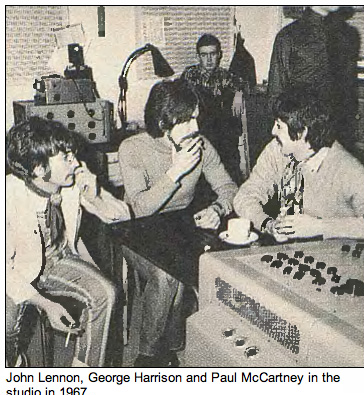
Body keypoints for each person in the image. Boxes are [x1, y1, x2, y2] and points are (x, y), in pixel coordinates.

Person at [118, 79, 237, 367]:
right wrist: (175, 172)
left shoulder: (200, 145)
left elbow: (230, 187)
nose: (195, 128)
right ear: (163, 122)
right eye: (186, 121)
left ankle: (171, 344)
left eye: (196, 118)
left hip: (180, 227)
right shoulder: (132, 148)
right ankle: (146, 357)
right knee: (167, 276)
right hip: (136, 230)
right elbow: (139, 208)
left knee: (214, 264)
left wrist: (219, 209)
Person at [6, 117, 131, 367]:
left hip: (57, 259)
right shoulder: (8, 197)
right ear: (39, 170)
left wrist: (95, 196)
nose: (75, 163)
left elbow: (123, 215)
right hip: (13, 268)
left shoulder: (71, 181)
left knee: (106, 293)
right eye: (66, 158)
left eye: (71, 154)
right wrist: (46, 304)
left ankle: (83, 375)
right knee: (6, 321)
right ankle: (12, 359)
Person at [234, 88, 364, 242]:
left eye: (279, 126)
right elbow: (244, 196)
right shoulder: (276, 150)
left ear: (301, 132)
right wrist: (269, 224)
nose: (272, 131)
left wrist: (320, 227)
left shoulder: (348, 169)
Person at [268, 6, 360, 150]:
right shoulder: (288, 36)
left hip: (338, 137)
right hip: (301, 137)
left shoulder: (348, 36)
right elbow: (276, 93)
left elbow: (348, 91)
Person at [181, 33, 246, 183]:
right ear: (198, 56)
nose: (209, 60)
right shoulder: (189, 75)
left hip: (222, 135)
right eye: (204, 55)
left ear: (219, 55)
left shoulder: (226, 76)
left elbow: (243, 84)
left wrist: (238, 94)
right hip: (199, 132)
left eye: (212, 54)